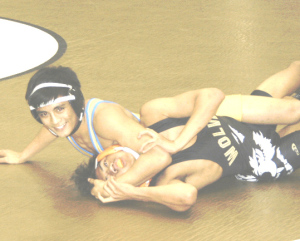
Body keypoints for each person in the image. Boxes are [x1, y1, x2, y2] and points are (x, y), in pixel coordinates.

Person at [75, 61, 300, 211]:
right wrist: (132, 192)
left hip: (247, 121)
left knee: (295, 76)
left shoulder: (153, 116)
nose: (111, 169)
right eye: (109, 178)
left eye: (104, 163)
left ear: (115, 147)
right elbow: (187, 196)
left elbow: (212, 96)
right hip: (265, 157)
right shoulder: (164, 178)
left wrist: (177, 143)